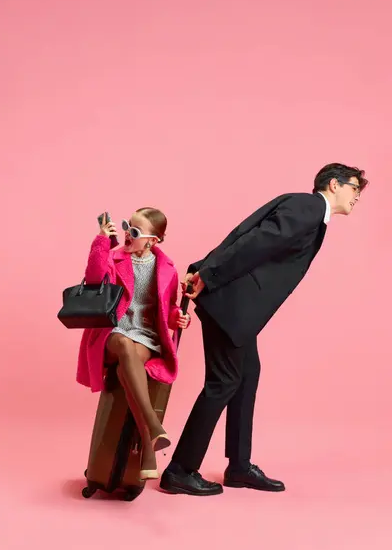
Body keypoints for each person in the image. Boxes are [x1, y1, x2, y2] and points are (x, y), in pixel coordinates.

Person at [160, 163, 368, 496]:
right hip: (231, 305)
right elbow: (256, 242)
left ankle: (239, 466)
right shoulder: (310, 207)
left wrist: (204, 267)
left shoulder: (307, 209)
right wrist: (208, 274)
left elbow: (244, 235)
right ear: (334, 184)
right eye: (355, 188)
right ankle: (180, 470)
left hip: (235, 307)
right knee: (223, 382)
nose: (358, 196)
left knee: (247, 374)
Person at [76, 208, 190, 481]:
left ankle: (149, 451)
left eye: (135, 231)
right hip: (113, 332)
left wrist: (178, 317)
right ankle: (153, 426)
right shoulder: (115, 258)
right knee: (125, 347)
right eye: (128, 226)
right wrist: (102, 240)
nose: (128, 233)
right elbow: (93, 280)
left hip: (146, 335)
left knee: (125, 370)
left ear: (153, 240)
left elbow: (167, 308)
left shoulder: (167, 269)